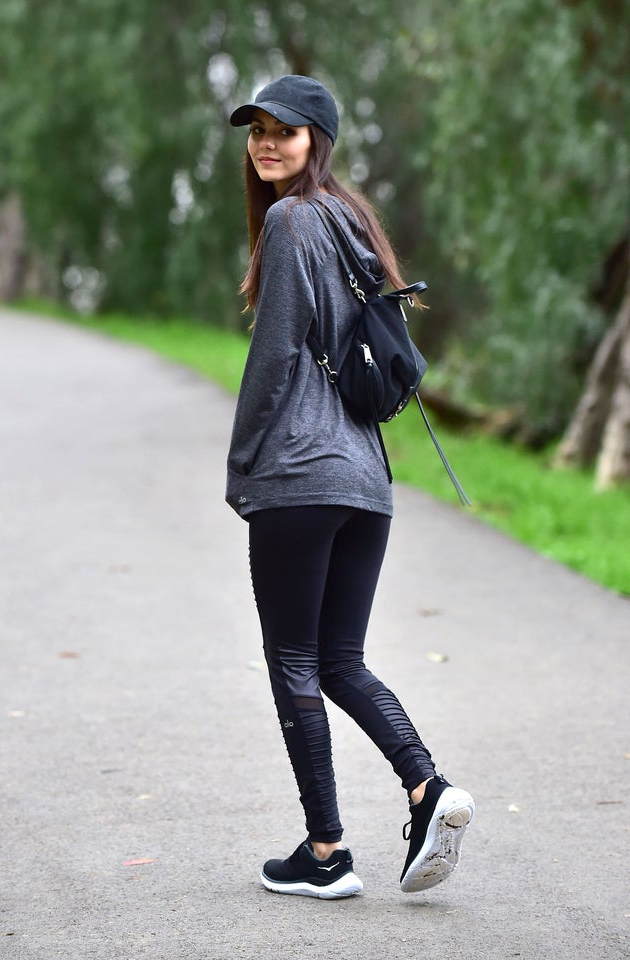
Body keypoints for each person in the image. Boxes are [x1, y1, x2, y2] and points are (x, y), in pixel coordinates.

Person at [226, 75, 474, 900]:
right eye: (256, 129)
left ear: (316, 140)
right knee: (338, 658)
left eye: (284, 131)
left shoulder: (296, 220)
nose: (266, 142)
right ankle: (428, 787)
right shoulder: (351, 222)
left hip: (300, 475)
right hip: (366, 479)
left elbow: (276, 357)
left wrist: (240, 465)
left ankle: (326, 851)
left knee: (295, 658)